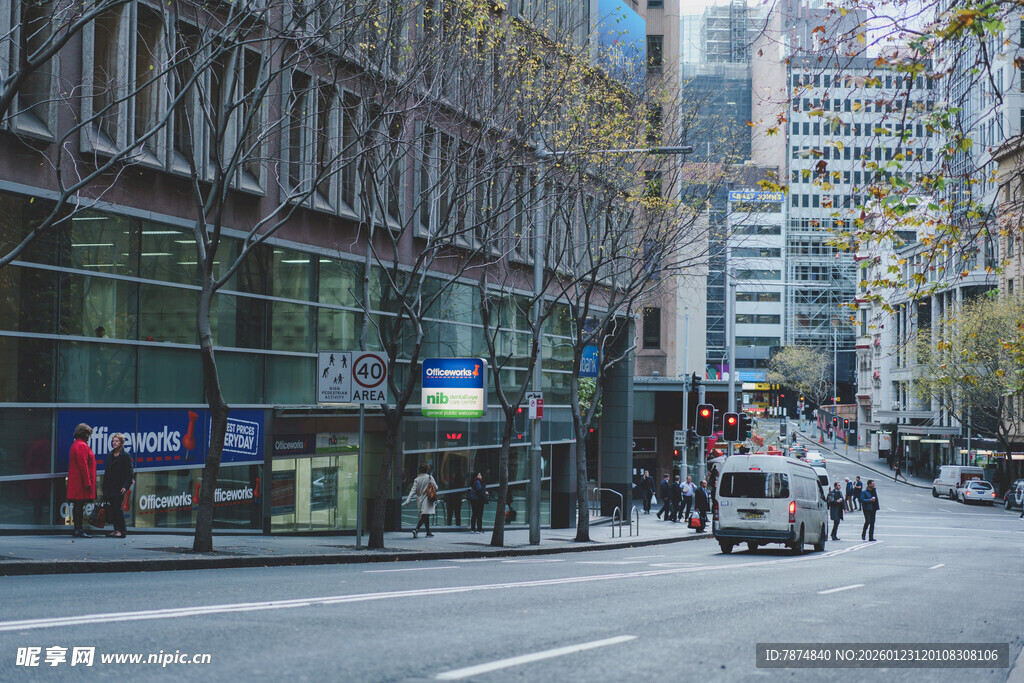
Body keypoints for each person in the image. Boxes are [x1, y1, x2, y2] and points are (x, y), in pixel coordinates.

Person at [102, 433, 134, 538]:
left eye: (116, 441)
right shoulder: (110, 455)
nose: (114, 443)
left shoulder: (125, 456)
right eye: (113, 441)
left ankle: (122, 531)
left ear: (121, 443)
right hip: (110, 487)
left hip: (119, 487)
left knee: (118, 508)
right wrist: (104, 488)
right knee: (113, 509)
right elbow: (107, 472)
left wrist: (125, 486)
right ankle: (116, 530)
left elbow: (130, 473)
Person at [67, 423, 97, 539]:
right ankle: (78, 529)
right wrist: (88, 482)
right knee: (79, 505)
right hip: (80, 482)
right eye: (88, 434)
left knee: (77, 506)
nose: (89, 436)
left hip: (77, 481)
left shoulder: (76, 444)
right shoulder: (82, 446)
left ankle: (77, 529)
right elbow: (83, 465)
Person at [404, 463, 438, 538]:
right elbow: (436, 487)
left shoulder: (417, 479)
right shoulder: (429, 477)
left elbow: (412, 491)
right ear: (427, 470)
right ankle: (416, 529)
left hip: (419, 498)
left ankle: (428, 532)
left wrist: (407, 500)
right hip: (427, 499)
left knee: (425, 514)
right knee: (425, 515)